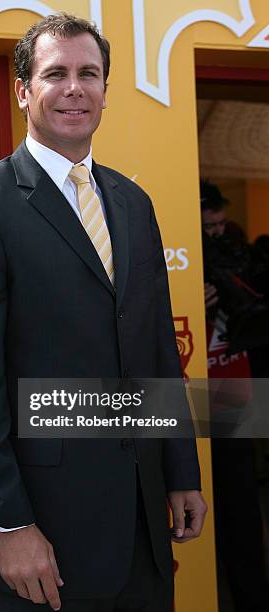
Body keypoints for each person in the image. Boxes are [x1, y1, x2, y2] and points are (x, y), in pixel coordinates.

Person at [0, 14, 206, 612]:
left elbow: (156, 349)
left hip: (144, 524)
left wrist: (182, 469)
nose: (75, 87)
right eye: (56, 74)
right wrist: (6, 522)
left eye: (90, 74)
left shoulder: (133, 203)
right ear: (24, 90)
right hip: (45, 533)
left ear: (105, 91)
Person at [201, 180, 269, 612]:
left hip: (231, 395)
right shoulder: (174, 260)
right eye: (207, 227)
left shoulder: (241, 256)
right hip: (176, 395)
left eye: (222, 224)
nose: (217, 234)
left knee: (241, 510)